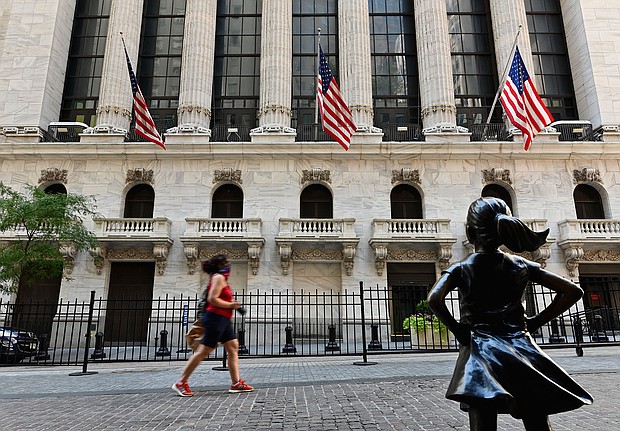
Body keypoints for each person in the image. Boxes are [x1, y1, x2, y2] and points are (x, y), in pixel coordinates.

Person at [428, 197, 592, 431]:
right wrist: (535, 322)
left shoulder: (463, 266)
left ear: (470, 231)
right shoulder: (521, 265)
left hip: (480, 349)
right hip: (521, 346)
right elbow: (573, 290)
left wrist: (458, 331)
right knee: (535, 414)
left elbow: (434, 299)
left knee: (482, 411)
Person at [172, 254, 253, 396]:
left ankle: (236, 383)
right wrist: (231, 304)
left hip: (224, 319)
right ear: (220, 265)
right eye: (226, 263)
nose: (229, 266)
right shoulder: (218, 278)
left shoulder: (222, 279)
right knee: (203, 351)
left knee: (233, 346)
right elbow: (212, 299)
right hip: (216, 318)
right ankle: (181, 382)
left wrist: (230, 305)